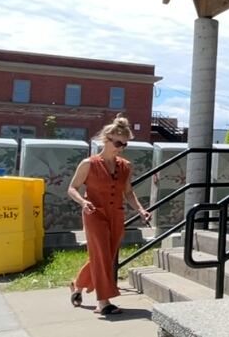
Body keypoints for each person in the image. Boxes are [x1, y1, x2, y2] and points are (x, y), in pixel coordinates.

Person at [66, 115, 151, 316]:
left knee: (105, 256)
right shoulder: (89, 163)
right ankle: (103, 302)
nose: (121, 147)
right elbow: (72, 188)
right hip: (94, 213)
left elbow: (128, 192)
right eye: (118, 143)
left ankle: (77, 284)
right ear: (107, 138)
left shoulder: (125, 166)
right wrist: (83, 201)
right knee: (102, 255)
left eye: (125, 144)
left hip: (116, 215)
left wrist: (140, 209)